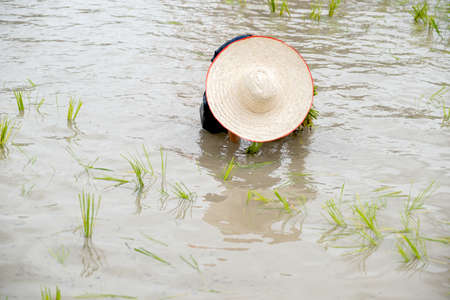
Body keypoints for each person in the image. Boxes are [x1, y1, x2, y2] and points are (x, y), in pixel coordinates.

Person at [200, 35, 314, 145]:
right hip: (226, 57)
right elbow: (233, 127)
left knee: (275, 139)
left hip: (257, 52)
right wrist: (234, 148)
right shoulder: (231, 84)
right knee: (213, 129)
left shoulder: (276, 81)